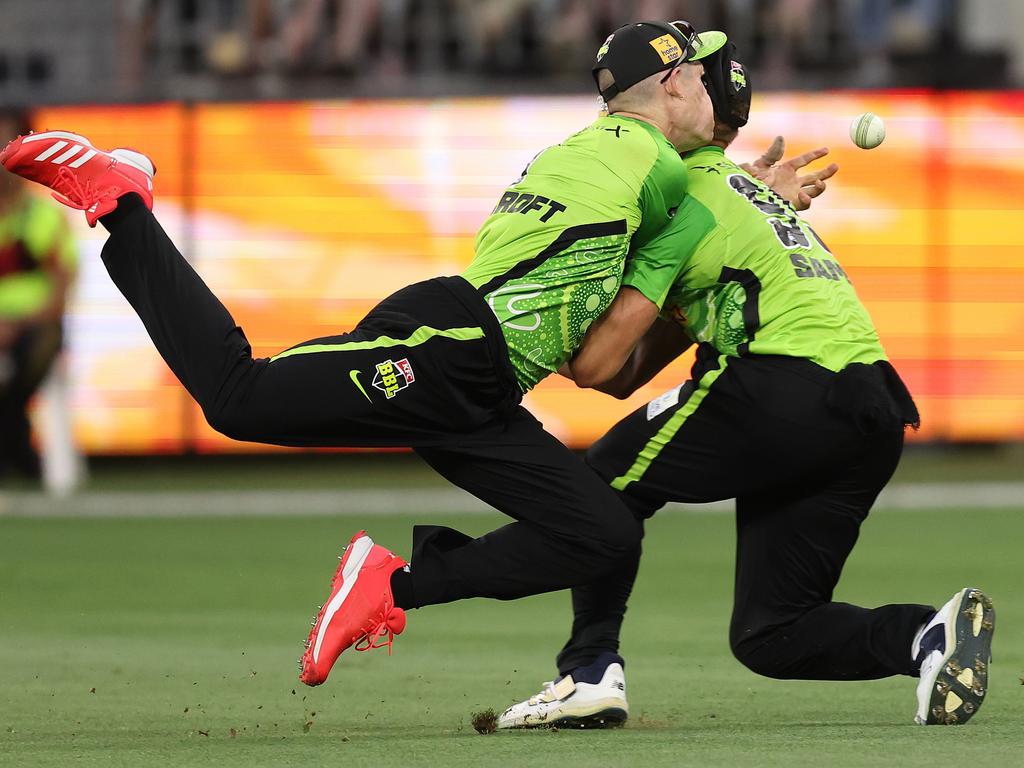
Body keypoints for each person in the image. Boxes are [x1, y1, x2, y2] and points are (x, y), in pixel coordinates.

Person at [1, 22, 750, 690]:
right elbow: (697, 203)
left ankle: (390, 585)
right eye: (703, 80)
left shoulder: (605, 152)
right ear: (676, 83)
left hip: (483, 385)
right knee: (238, 397)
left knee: (602, 534)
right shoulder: (657, 167)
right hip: (450, 346)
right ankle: (120, 201)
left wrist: (726, 204)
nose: (717, 106)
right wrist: (750, 197)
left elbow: (596, 371)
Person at [497, 43, 994, 729]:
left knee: (602, 483)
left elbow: (605, 370)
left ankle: (587, 670)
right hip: (872, 402)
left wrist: (540, 332)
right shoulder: (750, 196)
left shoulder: (672, 187)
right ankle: (925, 638)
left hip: (785, 384)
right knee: (771, 631)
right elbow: (628, 372)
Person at [0, 109, 77, 482]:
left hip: (35, 328)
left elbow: (61, 291)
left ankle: (18, 453)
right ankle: (20, 453)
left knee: (27, 359)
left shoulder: (44, 218)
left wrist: (14, 325)